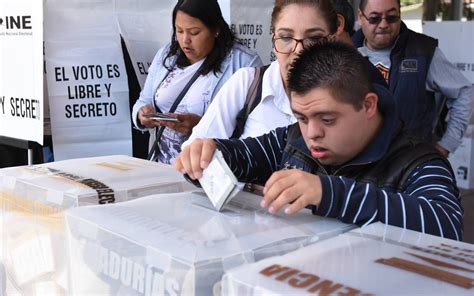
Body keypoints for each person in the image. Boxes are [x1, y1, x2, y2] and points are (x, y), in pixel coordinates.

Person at [174, 41, 463, 241]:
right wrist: (208, 155)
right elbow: (242, 155)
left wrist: (329, 193)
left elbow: (445, 225)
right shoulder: (293, 139)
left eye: (327, 120)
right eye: (301, 117)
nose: (312, 133)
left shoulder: (418, 162)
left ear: (369, 105)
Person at [183, 0, 345, 146]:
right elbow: (194, 153)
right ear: (273, 38)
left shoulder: (351, 92)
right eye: (286, 37)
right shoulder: (247, 83)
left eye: (314, 38)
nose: (299, 50)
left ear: (333, 37)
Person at [132, 0, 262, 164]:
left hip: (210, 170)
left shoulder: (245, 63)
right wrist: (141, 115)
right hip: (163, 167)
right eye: (179, 31)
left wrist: (202, 127)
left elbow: (257, 133)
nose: (185, 40)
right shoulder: (166, 55)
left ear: (215, 30)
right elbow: (144, 100)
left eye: (194, 32)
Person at [352, 0, 472, 157]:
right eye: (374, 18)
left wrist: (446, 145)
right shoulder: (346, 53)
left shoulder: (422, 52)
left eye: (392, 17)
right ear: (361, 17)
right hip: (359, 163)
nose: (383, 25)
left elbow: (464, 92)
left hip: (411, 163)